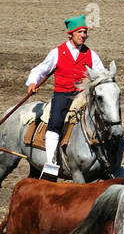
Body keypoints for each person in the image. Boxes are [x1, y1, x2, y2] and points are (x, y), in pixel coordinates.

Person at [24, 15, 105, 181]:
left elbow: (102, 74)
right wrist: (32, 83)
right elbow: (40, 70)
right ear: (70, 34)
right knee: (55, 123)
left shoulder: (91, 54)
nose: (83, 35)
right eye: (80, 32)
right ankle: (51, 163)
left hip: (82, 95)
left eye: (85, 32)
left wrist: (90, 80)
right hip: (62, 94)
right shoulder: (57, 53)